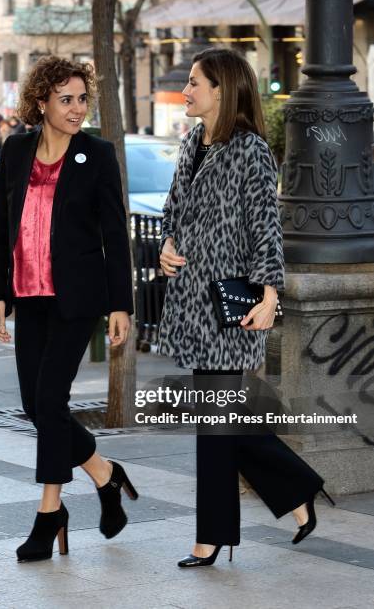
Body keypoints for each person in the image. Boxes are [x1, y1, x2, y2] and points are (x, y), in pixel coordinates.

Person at [157, 47, 334, 568]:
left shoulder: (251, 151)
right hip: (191, 301)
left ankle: (210, 538)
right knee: (220, 421)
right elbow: (172, 211)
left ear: (221, 90)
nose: (185, 90)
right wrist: (166, 245)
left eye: (194, 82)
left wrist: (271, 294)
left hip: (229, 304)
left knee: (214, 424)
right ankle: (298, 490)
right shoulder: (193, 143)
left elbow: (266, 230)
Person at [0, 55, 138, 563]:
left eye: (82, 99)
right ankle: (104, 473)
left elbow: (116, 236)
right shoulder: (15, 150)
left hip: (77, 300)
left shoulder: (95, 154)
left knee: (49, 401)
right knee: (35, 405)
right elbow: (1, 226)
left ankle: (49, 513)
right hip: (29, 299)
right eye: (66, 100)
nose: (77, 109)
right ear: (41, 103)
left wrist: (121, 304)